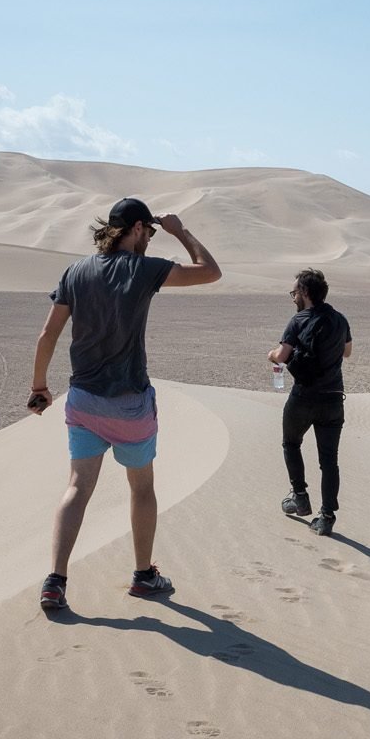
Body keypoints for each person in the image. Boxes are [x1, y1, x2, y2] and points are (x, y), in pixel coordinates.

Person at [28, 198, 221, 610]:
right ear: (136, 228)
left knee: (78, 487)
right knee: (142, 488)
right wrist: (180, 232)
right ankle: (143, 575)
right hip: (129, 404)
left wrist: (39, 386)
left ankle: (55, 580)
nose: (150, 239)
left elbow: (47, 336)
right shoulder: (143, 268)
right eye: (148, 232)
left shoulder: (76, 271)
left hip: (82, 401)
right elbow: (210, 272)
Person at [268, 268, 353, 537]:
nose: (293, 297)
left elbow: (281, 356)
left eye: (294, 292)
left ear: (305, 292)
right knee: (329, 460)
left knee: (291, 443)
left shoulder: (298, 320)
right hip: (332, 399)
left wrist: (271, 354)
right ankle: (326, 516)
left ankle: (300, 496)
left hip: (304, 396)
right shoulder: (339, 319)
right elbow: (347, 352)